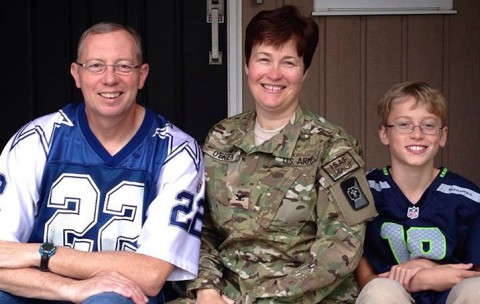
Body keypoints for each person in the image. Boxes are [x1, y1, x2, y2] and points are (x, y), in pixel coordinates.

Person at [171, 5, 377, 304]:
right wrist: (206, 290)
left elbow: (340, 250)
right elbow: (200, 228)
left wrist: (258, 297)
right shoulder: (222, 137)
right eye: (264, 59)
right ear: (247, 65)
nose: (274, 74)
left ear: (305, 70)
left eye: (288, 62)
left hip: (303, 298)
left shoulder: (333, 146)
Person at [0, 22, 205, 304]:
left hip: (122, 297)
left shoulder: (176, 150)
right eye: (96, 65)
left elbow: (151, 274)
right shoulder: (37, 140)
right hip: (42, 289)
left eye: (123, 66)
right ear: (77, 74)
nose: (110, 79)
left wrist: (42, 253)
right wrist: (70, 289)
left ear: (141, 75)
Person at [354, 81, 480, 304]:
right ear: (384, 133)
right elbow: (366, 278)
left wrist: (432, 269)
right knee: (379, 293)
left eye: (429, 125)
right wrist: (419, 278)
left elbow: (474, 272)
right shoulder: (365, 190)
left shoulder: (466, 197)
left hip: (449, 295)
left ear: (442, 136)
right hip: (394, 294)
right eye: (404, 124)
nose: (417, 134)